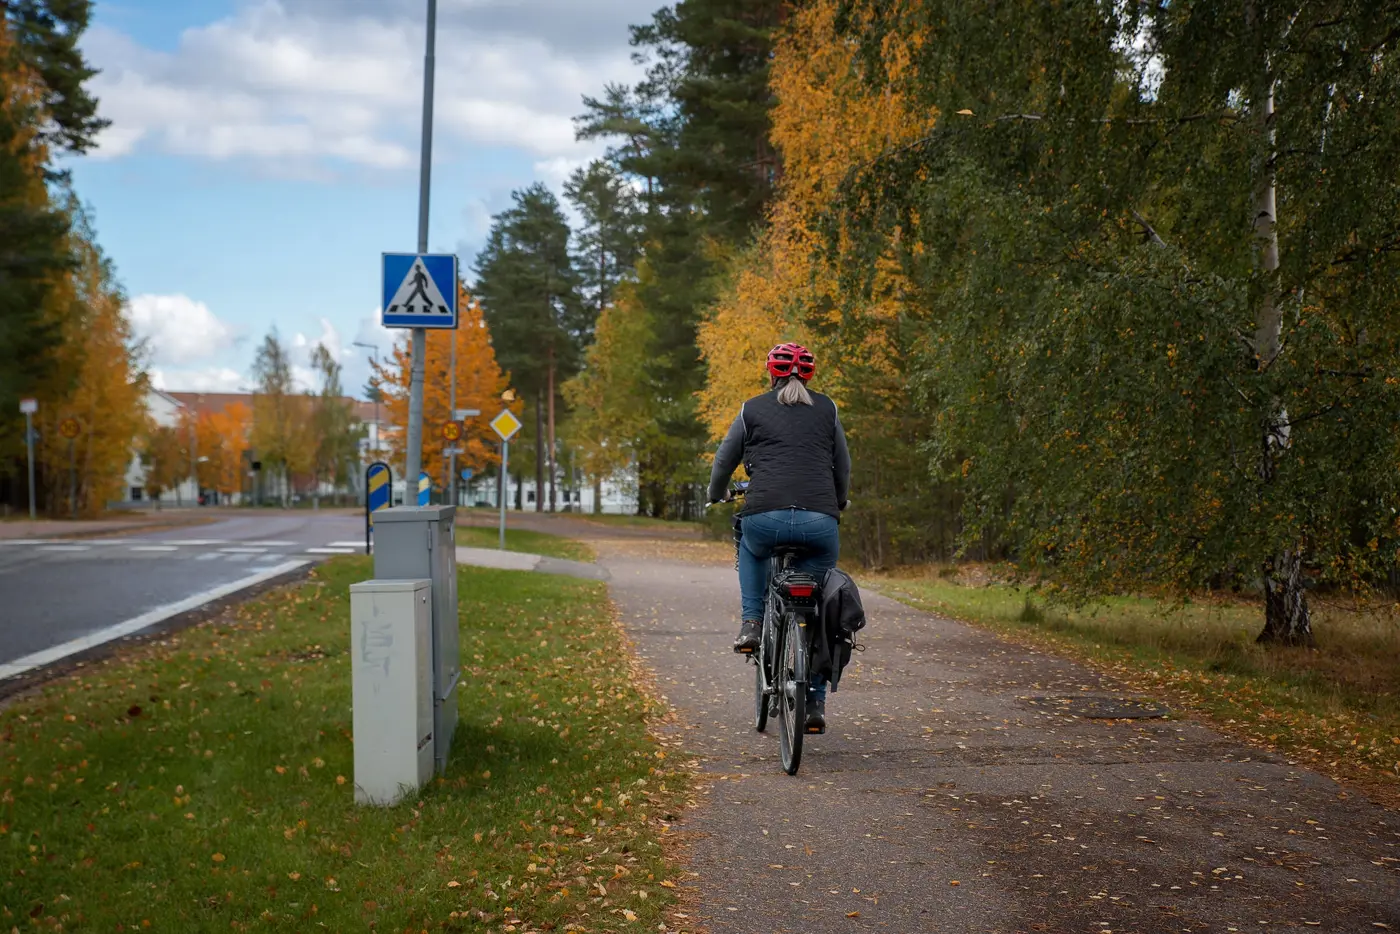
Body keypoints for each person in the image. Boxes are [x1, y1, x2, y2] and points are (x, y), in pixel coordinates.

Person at [707, 342, 851, 732]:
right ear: (809, 376)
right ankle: (815, 702)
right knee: (818, 606)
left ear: (770, 374)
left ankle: (752, 624)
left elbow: (725, 459)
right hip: (820, 524)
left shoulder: (751, 408)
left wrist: (714, 492)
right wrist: (837, 502)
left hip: (764, 517)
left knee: (751, 548)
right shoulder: (828, 409)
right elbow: (843, 465)